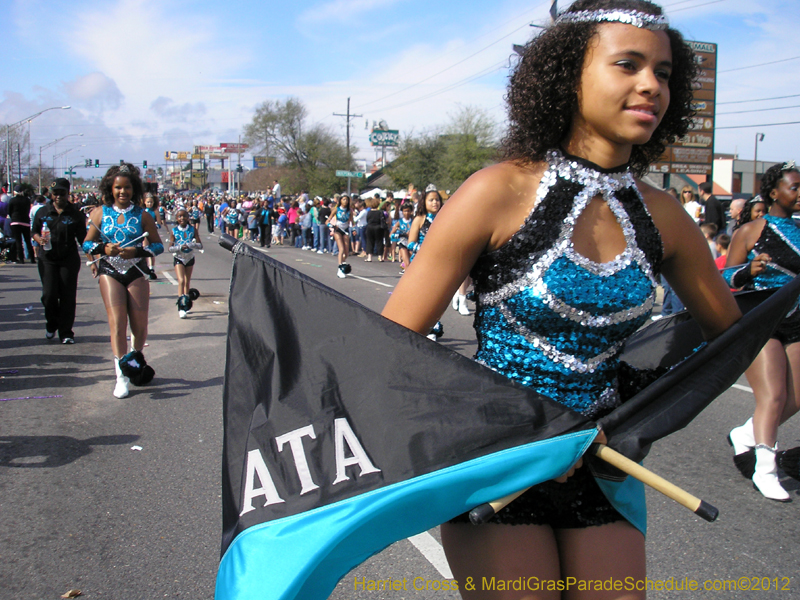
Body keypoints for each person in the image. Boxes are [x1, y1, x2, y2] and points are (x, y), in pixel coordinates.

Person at [381, 1, 741, 596]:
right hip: (498, 469)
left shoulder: (665, 215)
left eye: (664, 72)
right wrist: (514, 424)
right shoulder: (496, 191)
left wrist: (632, 411)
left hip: (603, 468)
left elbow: (729, 341)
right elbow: (390, 346)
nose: (651, 85)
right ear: (568, 75)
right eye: (627, 65)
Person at [724, 161, 800, 502]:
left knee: (795, 397)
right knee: (773, 396)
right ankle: (765, 468)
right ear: (774, 192)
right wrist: (748, 271)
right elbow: (725, 278)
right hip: (762, 319)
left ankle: (745, 433)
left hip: (797, 320)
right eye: (794, 187)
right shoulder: (751, 231)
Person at [82, 163, 164, 399]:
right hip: (110, 271)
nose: (122, 192)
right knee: (117, 324)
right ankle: (121, 376)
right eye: (118, 187)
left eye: (127, 187)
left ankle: (134, 361)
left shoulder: (143, 215)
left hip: (136, 271)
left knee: (139, 326)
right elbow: (86, 243)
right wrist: (103, 248)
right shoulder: (100, 213)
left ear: (133, 189)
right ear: (111, 188)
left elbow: (158, 246)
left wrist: (136, 252)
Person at [31, 179, 87, 343]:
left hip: (68, 259)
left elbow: (83, 239)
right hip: (47, 259)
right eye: (55, 194)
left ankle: (66, 332)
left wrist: (94, 257)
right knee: (49, 295)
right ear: (51, 194)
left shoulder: (75, 214)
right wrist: (38, 239)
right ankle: (51, 323)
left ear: (68, 194)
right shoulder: (43, 212)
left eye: (62, 193)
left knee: (67, 296)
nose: (58, 197)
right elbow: (34, 231)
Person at [169, 208, 203, 318]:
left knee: (187, 281)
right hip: (179, 258)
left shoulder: (193, 230)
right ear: (176, 218)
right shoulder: (174, 231)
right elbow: (170, 248)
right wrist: (179, 247)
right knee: (181, 280)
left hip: (190, 258)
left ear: (188, 218)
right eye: (179, 216)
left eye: (184, 216)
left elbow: (200, 245)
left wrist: (191, 245)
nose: (182, 218)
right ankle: (181, 306)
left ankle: (186, 303)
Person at [8, 184, 34, 264]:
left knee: (18, 240)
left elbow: (9, 211)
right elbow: (28, 210)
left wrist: (12, 217)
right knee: (27, 240)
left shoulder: (12, 200)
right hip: (25, 221)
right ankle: (32, 258)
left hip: (15, 221)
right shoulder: (26, 200)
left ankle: (21, 259)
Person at [328, 194, 352, 278]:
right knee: (341, 249)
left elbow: (351, 221)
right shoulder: (336, 209)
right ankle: (340, 268)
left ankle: (343, 263)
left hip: (345, 230)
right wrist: (331, 225)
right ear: (340, 200)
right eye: (344, 199)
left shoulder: (349, 210)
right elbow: (327, 221)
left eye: (347, 200)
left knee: (346, 252)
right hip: (338, 230)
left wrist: (353, 229)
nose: (345, 201)